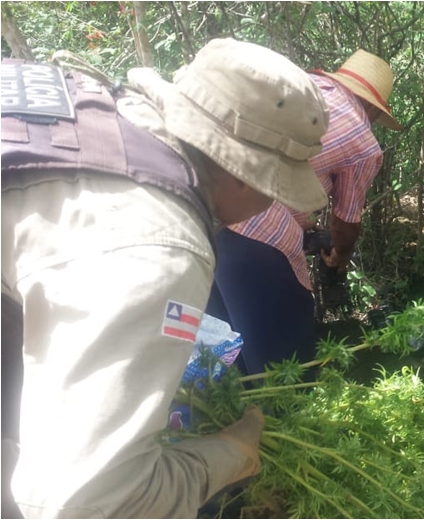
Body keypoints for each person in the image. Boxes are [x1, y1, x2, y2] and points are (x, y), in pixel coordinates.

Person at [1, 38, 330, 517]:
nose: (275, 200)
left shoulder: (98, 110)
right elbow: (91, 505)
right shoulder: (159, 248)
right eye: (276, 186)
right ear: (243, 174)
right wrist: (232, 454)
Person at [205, 49, 401, 374]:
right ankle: (291, 419)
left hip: (208, 216)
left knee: (226, 349)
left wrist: (302, 223)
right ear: (370, 106)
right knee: (285, 363)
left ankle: (239, 418)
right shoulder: (363, 141)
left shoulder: (302, 87)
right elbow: (346, 222)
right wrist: (339, 254)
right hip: (257, 237)